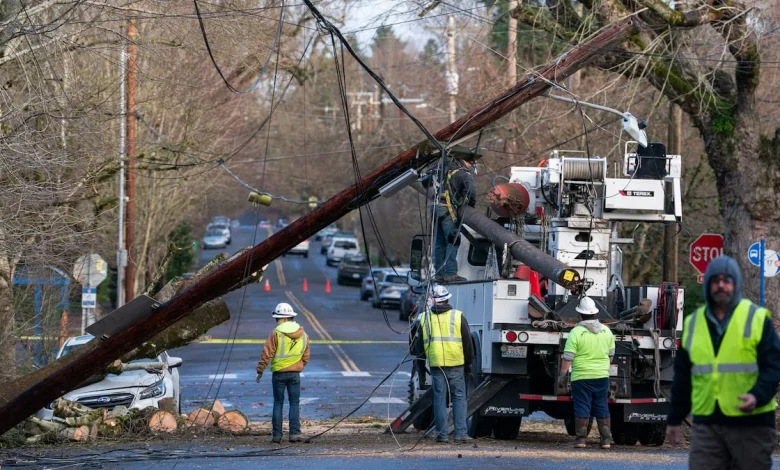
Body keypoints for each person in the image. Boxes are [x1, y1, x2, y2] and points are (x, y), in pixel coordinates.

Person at [666, 255, 780, 469]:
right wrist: (674, 419)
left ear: (735, 284)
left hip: (751, 424)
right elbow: (683, 377)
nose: (721, 285)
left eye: (727, 280)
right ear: (708, 284)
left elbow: (774, 366)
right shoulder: (693, 323)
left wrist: (757, 395)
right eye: (716, 280)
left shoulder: (756, 318)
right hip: (707, 424)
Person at [414, 285, 474, 443]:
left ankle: (442, 435)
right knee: (459, 398)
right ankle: (460, 434)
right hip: (456, 362)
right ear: (447, 299)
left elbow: (418, 347)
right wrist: (469, 364)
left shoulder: (425, 318)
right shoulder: (457, 316)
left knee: (439, 399)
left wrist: (421, 369)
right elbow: (468, 343)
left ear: (433, 301)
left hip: (436, 363)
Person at [559, 296, 615, 449]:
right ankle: (605, 440)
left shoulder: (576, 332)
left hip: (581, 377)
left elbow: (568, 357)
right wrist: (602, 368)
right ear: (595, 314)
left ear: (580, 315)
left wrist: (562, 375)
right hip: (602, 376)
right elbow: (611, 355)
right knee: (601, 405)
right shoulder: (606, 331)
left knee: (583, 405)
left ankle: (581, 439)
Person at [422, 145, 481, 283]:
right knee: (453, 240)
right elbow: (471, 191)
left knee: (440, 242)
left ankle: (439, 274)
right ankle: (450, 273)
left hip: (435, 207)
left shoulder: (445, 170)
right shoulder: (463, 173)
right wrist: (471, 205)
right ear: (468, 161)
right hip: (446, 209)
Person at [256, 302, 310, 444]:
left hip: (279, 374)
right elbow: (306, 355)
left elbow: (267, 353)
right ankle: (294, 434)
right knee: (294, 403)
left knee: (278, 403)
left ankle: (277, 436)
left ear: (285, 318)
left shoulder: (276, 333)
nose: (276, 321)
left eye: (277, 318)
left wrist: (260, 370)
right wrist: (298, 366)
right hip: (295, 374)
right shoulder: (303, 334)